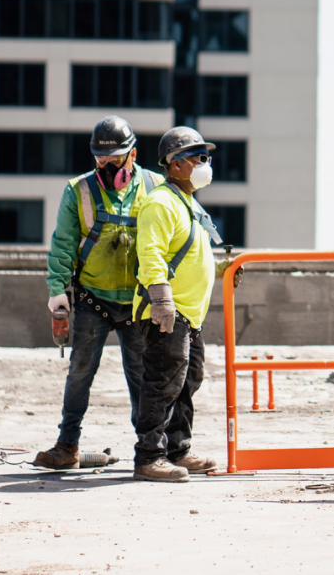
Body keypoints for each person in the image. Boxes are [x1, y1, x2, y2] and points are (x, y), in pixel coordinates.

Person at [34, 116, 166, 470]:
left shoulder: (155, 187)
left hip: (138, 303)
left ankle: (149, 452)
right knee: (79, 373)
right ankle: (67, 445)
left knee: (143, 379)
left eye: (114, 159)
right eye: (100, 160)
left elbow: (174, 240)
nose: (106, 167)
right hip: (94, 299)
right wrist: (58, 292)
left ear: (133, 155)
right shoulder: (78, 190)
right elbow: (62, 245)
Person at [131, 126, 239, 482]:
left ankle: (178, 450)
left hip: (189, 316)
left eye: (204, 157)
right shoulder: (161, 202)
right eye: (197, 157)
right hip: (167, 312)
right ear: (174, 164)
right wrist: (160, 299)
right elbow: (151, 253)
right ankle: (149, 457)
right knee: (162, 383)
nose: (204, 163)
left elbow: (192, 254)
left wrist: (223, 269)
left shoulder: (187, 203)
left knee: (186, 383)